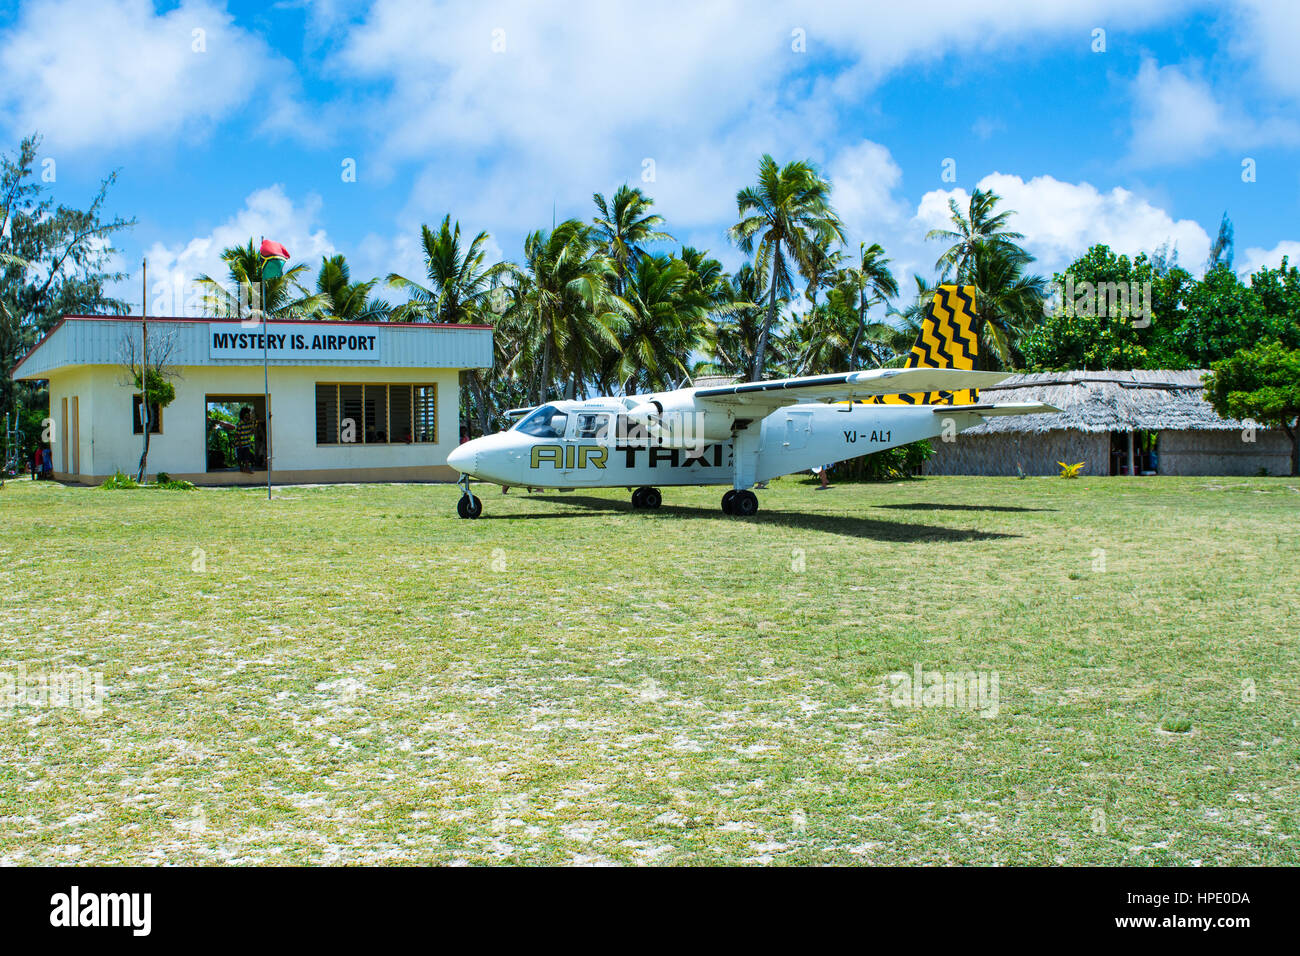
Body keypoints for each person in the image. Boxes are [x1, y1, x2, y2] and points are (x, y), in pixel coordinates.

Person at [233, 407, 256, 474]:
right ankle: (241, 468)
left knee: (247, 457)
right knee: (240, 457)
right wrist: (239, 443)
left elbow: (252, 431)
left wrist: (254, 427)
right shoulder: (240, 423)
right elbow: (237, 434)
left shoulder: (249, 423)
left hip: (246, 443)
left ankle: (247, 468)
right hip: (240, 444)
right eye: (247, 414)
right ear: (244, 415)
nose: (249, 415)